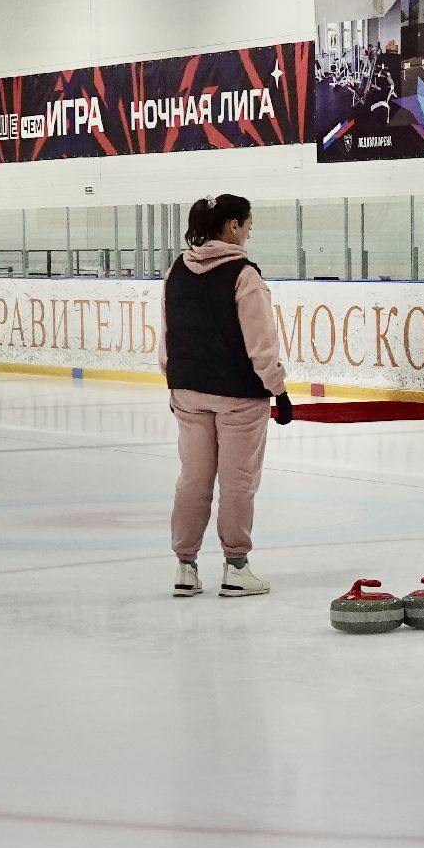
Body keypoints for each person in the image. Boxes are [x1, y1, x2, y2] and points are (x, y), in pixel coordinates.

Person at [158, 194, 292, 599]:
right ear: (232, 226)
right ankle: (236, 568)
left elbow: (168, 335)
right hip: (238, 395)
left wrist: (176, 379)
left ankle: (185, 567)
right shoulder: (243, 274)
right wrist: (279, 390)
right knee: (237, 482)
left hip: (189, 390)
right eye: (248, 223)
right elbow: (261, 343)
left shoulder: (176, 270)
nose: (250, 230)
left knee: (193, 480)